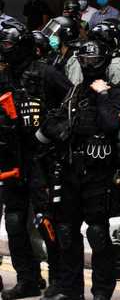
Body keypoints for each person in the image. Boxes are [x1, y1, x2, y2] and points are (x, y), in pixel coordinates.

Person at [35, 40, 120, 300]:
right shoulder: (73, 92)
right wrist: (58, 129)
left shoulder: (114, 94)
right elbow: (51, 127)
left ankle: (101, 292)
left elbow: (111, 124)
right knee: (66, 232)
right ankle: (71, 290)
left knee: (97, 234)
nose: (88, 65)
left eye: (93, 60)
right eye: (83, 60)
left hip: (98, 176)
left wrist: (102, 96)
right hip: (70, 171)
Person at [0, 20, 72, 300]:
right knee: (15, 222)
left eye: (7, 44)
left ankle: (58, 280)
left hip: (42, 159)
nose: (4, 50)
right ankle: (27, 279)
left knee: (47, 221)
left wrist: (50, 131)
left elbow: (71, 106)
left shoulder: (46, 74)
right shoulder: (4, 77)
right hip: (11, 159)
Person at [43, 16, 83, 86]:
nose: (51, 36)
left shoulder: (74, 59)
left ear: (65, 36)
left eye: (55, 34)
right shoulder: (57, 53)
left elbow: (73, 88)